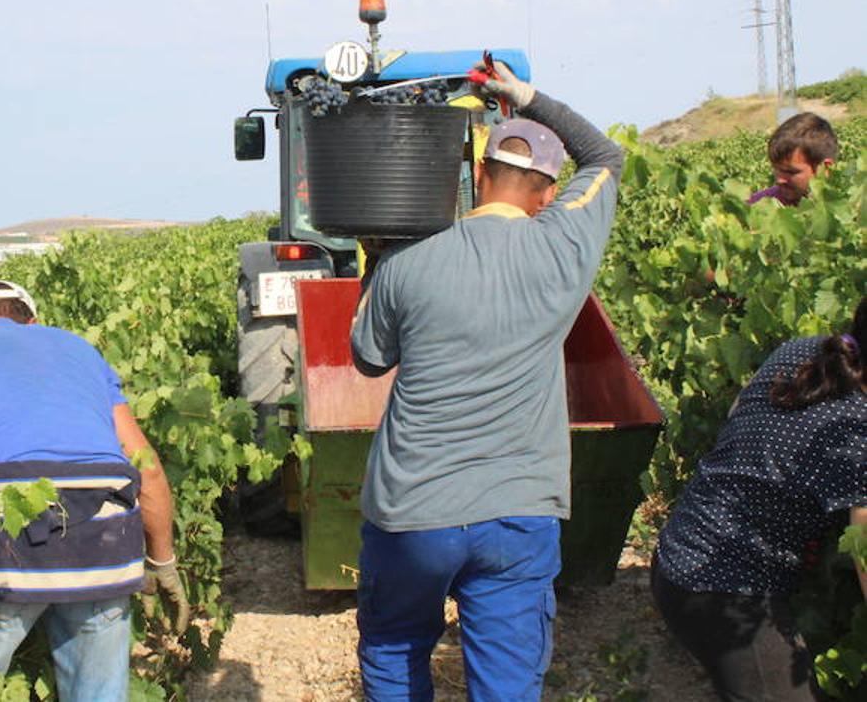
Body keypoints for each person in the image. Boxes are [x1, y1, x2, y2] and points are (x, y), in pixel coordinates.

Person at [349, 62, 623, 701]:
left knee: (394, 650)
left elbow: (368, 359)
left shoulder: (407, 260)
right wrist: (525, 96)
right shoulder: (564, 247)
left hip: (412, 510)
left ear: (479, 174)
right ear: (549, 195)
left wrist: (375, 263)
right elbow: (605, 156)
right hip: (518, 512)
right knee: (507, 683)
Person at [0, 280, 189, 701]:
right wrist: (162, 562)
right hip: (104, 536)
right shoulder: (80, 350)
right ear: (33, 322)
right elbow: (145, 468)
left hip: (3, 537)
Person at [651, 298, 867, 701]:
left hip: (680, 551)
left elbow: (737, 412)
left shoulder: (806, 351)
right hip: (721, 590)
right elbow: (865, 553)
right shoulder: (856, 434)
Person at [747, 112, 839, 206]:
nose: (779, 180)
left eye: (790, 172)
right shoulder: (758, 204)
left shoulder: (845, 205)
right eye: (776, 170)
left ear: (825, 168)